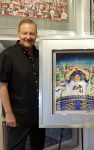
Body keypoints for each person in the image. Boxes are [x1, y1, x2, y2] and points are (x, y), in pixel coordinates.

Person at [0, 19, 45, 150]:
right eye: (25, 33)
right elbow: (3, 86)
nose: (28, 37)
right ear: (18, 34)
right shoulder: (8, 55)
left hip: (38, 115)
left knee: (38, 147)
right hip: (18, 116)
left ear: (36, 35)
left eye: (32, 33)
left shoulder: (40, 55)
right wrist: (8, 113)